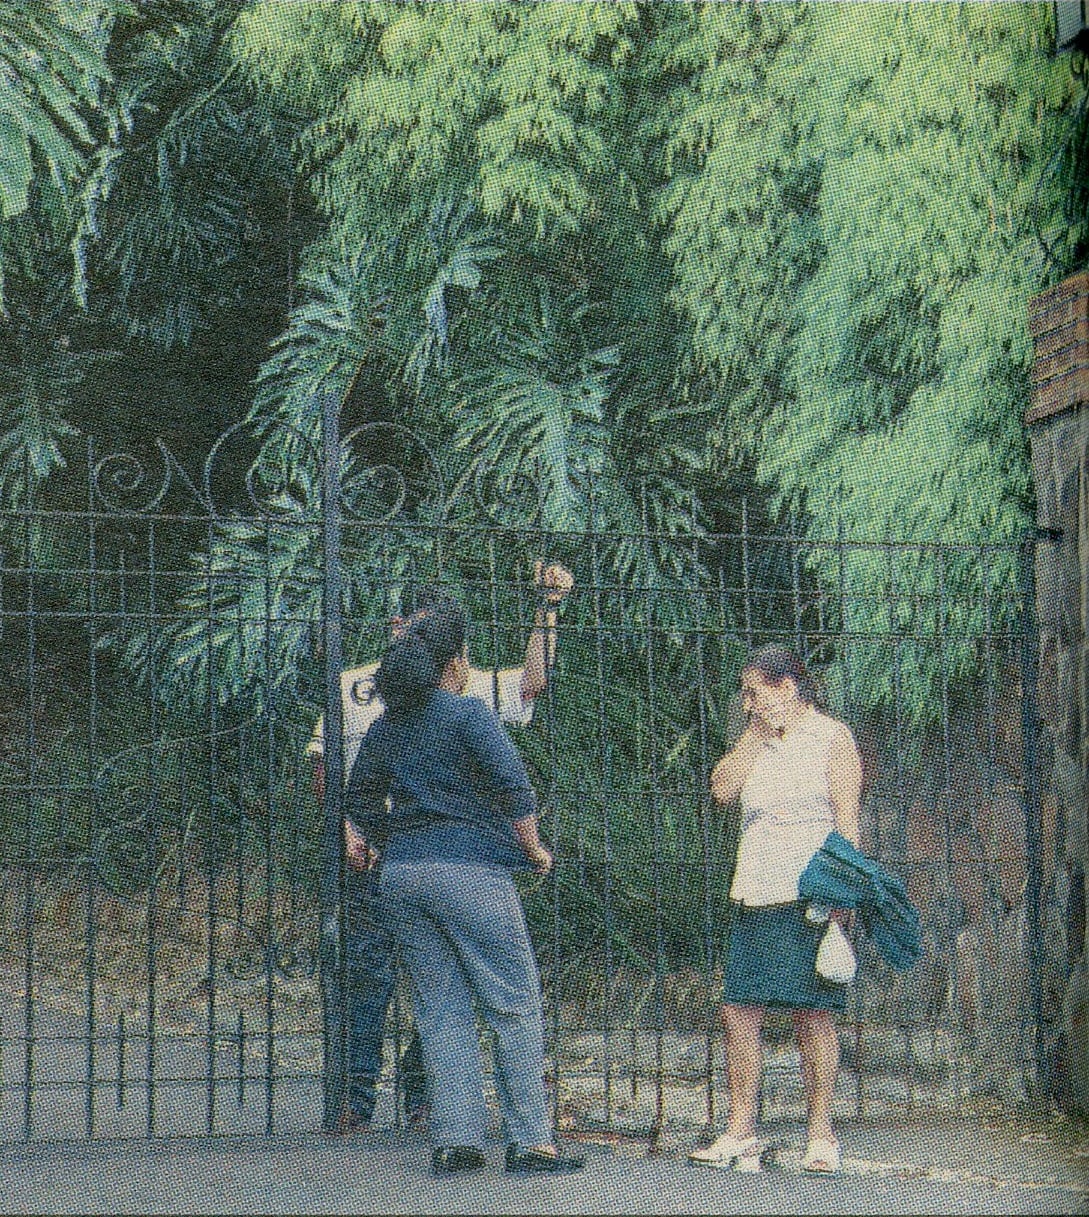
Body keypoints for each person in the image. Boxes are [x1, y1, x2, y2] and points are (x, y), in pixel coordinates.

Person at [306, 563, 573, 1132]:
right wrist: (349, 833)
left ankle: (435, 1109)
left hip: (402, 856)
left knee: (438, 994)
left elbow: (530, 683)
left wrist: (546, 610)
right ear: (396, 625)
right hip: (417, 856)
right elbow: (326, 766)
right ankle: (356, 1100)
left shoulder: (457, 685)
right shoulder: (361, 686)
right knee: (373, 975)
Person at [689, 644, 862, 1176]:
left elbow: (847, 820)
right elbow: (720, 791)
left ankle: (820, 1134)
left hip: (810, 889)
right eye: (745, 694)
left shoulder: (833, 738)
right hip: (755, 887)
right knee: (739, 1008)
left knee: (813, 1013)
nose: (748, 703)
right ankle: (741, 1129)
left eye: (754, 692)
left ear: (788, 687)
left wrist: (844, 894)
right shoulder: (755, 740)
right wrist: (755, 736)